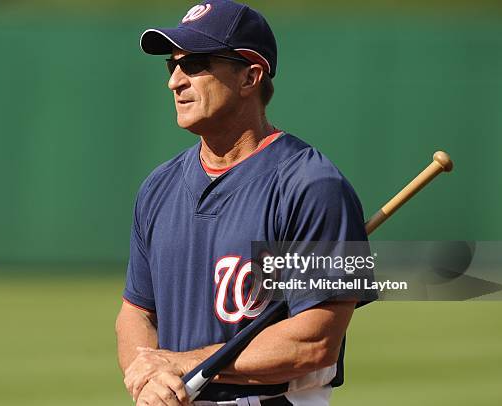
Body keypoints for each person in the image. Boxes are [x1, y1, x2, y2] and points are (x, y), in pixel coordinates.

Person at [116, 1, 371, 405]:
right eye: (173, 65)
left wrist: (185, 362)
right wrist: (146, 375)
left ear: (250, 76)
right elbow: (136, 313)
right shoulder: (158, 187)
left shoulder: (313, 187)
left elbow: (315, 341)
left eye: (196, 64)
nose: (175, 81)